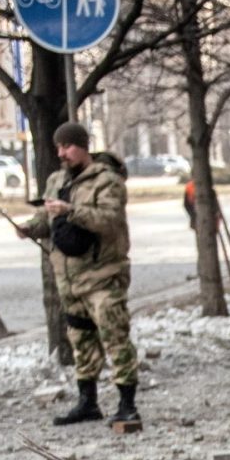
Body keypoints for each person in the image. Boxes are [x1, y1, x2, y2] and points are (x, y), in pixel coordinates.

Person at [17, 122, 138, 425]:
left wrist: (70, 210)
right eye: (58, 147)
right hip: (69, 277)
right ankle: (87, 402)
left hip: (103, 275)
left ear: (83, 146)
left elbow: (109, 220)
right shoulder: (57, 179)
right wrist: (30, 227)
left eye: (67, 146)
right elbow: (46, 217)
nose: (61, 153)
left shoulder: (107, 181)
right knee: (81, 341)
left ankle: (127, 403)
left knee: (114, 335)